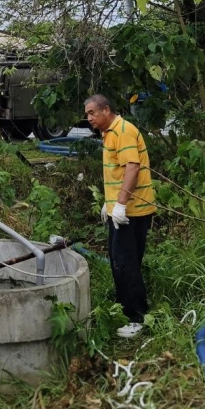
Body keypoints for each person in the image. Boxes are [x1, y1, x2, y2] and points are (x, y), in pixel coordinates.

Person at [84, 94, 156, 339]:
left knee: (126, 263)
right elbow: (117, 172)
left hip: (132, 211)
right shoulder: (110, 133)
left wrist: (121, 205)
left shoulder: (122, 131)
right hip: (123, 209)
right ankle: (127, 310)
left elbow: (132, 168)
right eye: (87, 114)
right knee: (120, 260)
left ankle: (137, 317)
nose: (89, 118)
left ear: (106, 110)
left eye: (92, 112)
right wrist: (110, 203)